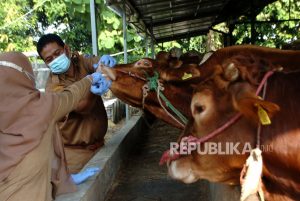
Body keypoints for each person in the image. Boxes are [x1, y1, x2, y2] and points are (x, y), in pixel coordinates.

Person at [0, 52, 110, 200]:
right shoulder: (40, 106)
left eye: (57, 54)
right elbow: (72, 97)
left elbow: (91, 62)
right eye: (48, 59)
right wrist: (90, 79)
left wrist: (62, 176)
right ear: (25, 75)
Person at [36, 33, 117, 173]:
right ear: (46, 63)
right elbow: (83, 107)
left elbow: (94, 63)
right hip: (75, 157)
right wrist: (92, 88)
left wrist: (102, 63)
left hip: (100, 147)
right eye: (49, 59)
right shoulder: (53, 89)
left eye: (57, 53)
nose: (55, 59)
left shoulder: (80, 62)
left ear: (66, 49)